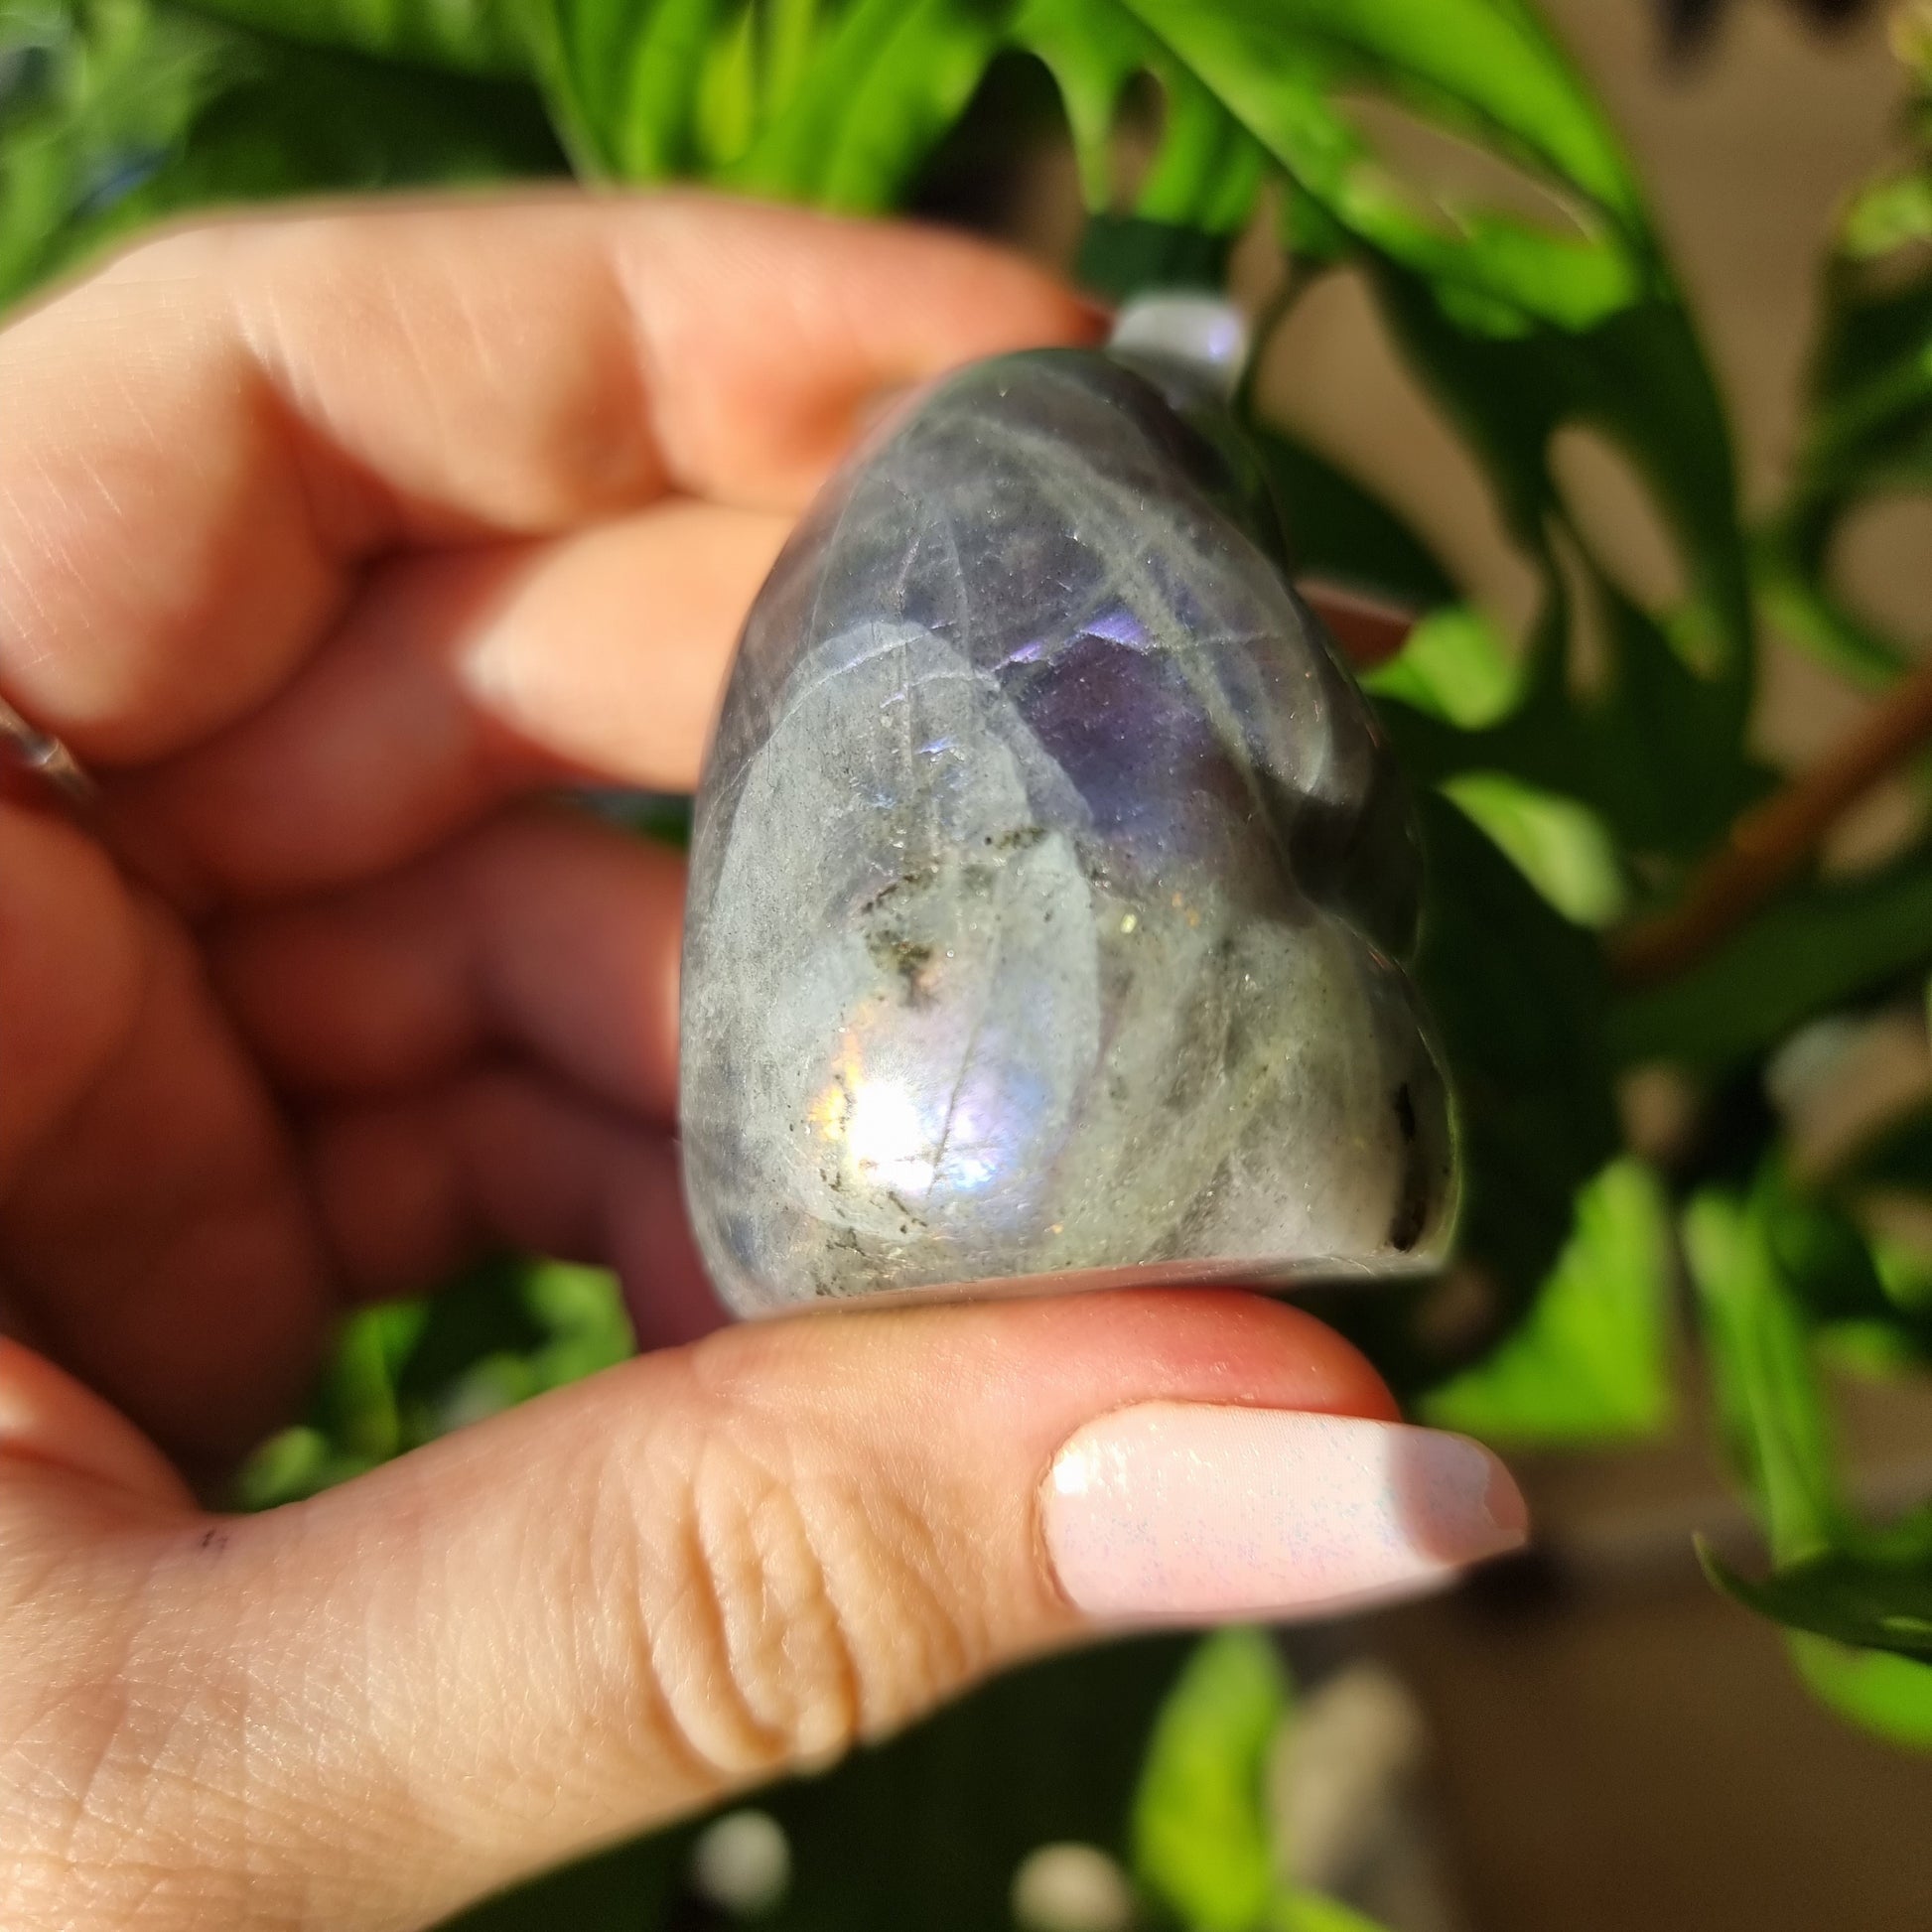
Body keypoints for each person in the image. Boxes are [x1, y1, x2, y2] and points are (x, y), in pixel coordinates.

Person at [0, 194, 1528, 1930]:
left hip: (977, 1126)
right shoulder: (1066, 529)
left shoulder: (1050, 545)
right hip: (1110, 1084)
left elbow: (1295, 779)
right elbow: (1308, 768)